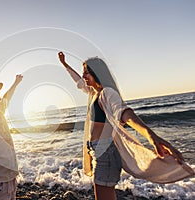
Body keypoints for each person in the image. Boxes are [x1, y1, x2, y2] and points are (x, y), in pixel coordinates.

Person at [58, 52, 194, 200]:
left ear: (97, 73)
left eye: (87, 73)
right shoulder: (94, 92)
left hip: (106, 154)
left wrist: (151, 136)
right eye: (84, 73)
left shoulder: (108, 93)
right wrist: (65, 64)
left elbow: (124, 113)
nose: (84, 76)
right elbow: (79, 82)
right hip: (98, 152)